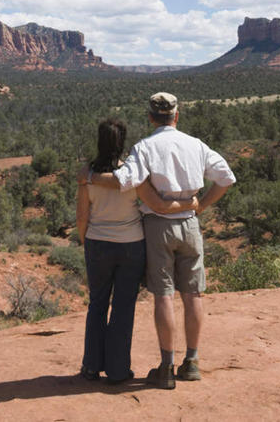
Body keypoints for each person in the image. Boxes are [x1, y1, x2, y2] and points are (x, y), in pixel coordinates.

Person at [79, 93, 235, 390]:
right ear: (177, 116)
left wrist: (88, 176)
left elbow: (125, 180)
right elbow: (226, 178)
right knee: (193, 294)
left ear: (151, 117)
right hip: (190, 225)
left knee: (164, 295)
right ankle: (192, 362)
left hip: (156, 227)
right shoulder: (196, 145)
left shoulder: (145, 147)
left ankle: (166, 366)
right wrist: (200, 205)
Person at [77, 117, 198, 385]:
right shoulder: (134, 175)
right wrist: (190, 204)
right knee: (123, 307)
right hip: (131, 246)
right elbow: (156, 204)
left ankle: (91, 367)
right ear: (122, 143)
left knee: (97, 304)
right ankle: (119, 372)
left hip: (98, 243)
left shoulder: (87, 175)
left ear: (99, 141)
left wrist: (86, 241)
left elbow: (82, 216)